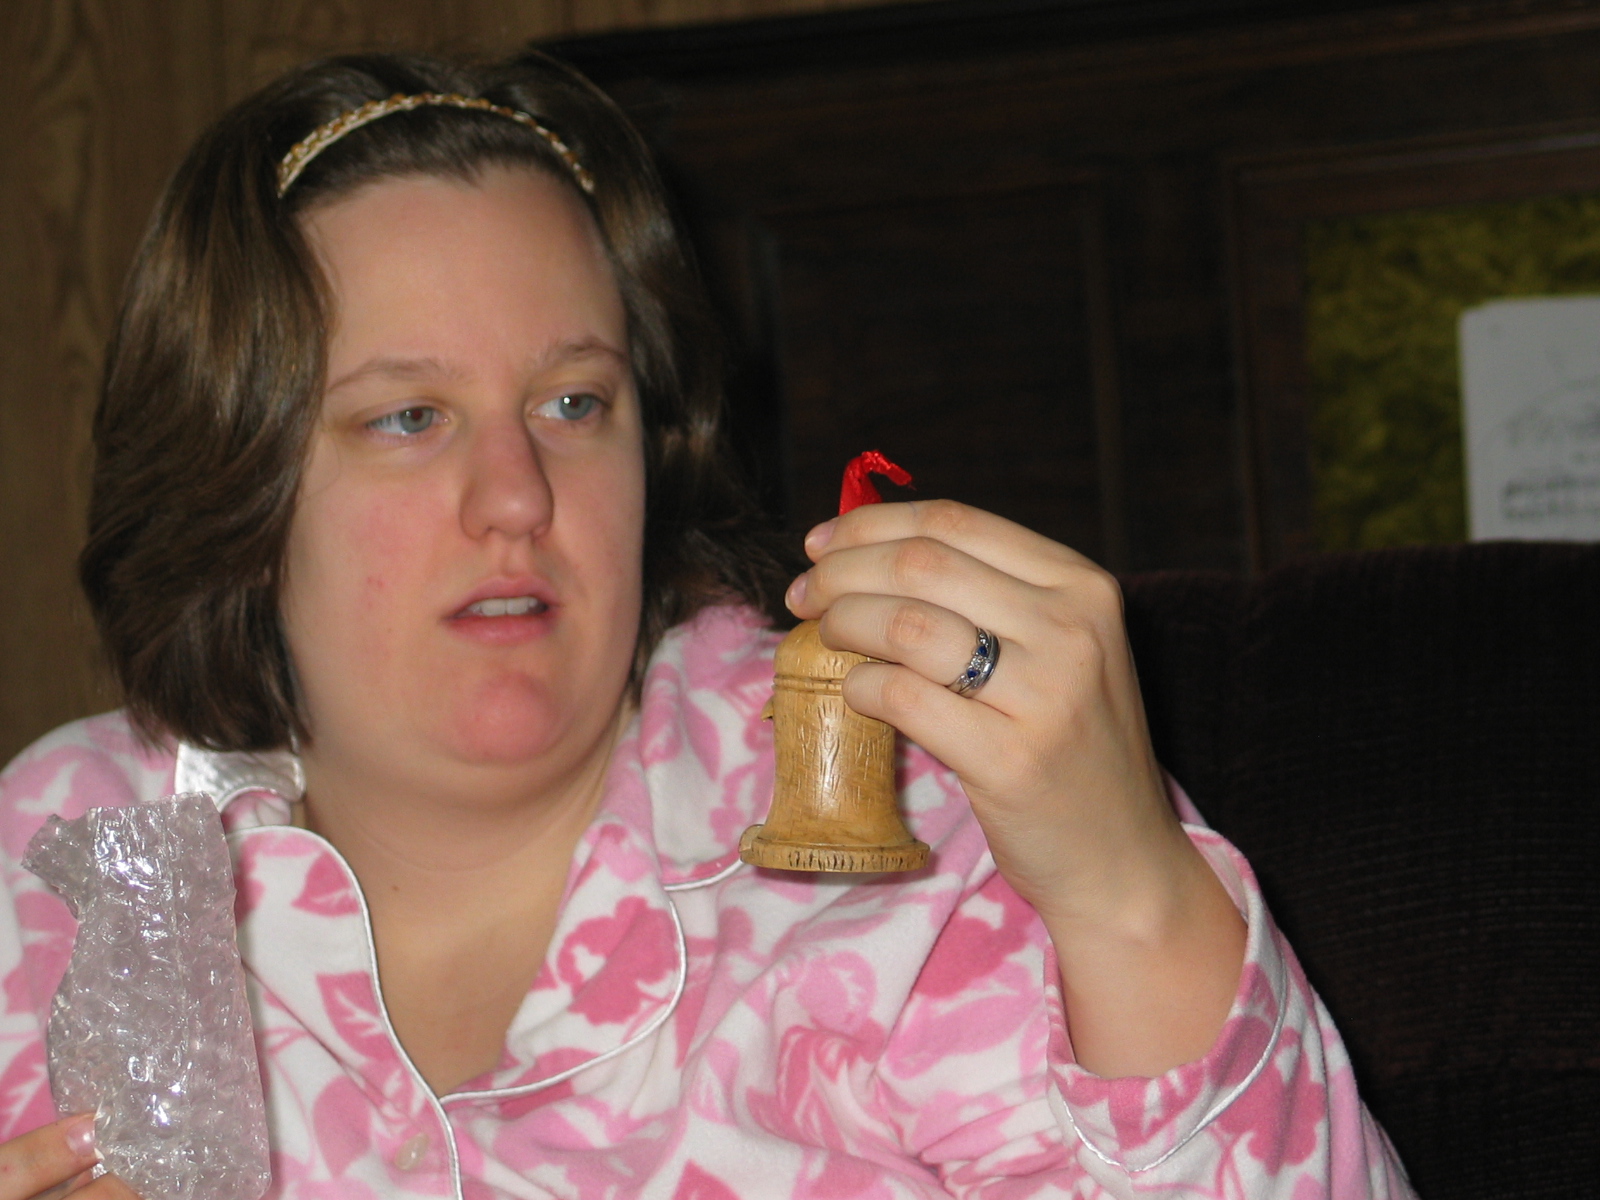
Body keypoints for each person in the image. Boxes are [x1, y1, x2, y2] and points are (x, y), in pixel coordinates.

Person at [0, 51, 1412, 1199]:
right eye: (408, 417)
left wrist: (1127, 892)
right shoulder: (58, 863)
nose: (518, 495)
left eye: (574, 403)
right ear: (236, 484)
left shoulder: (931, 809)